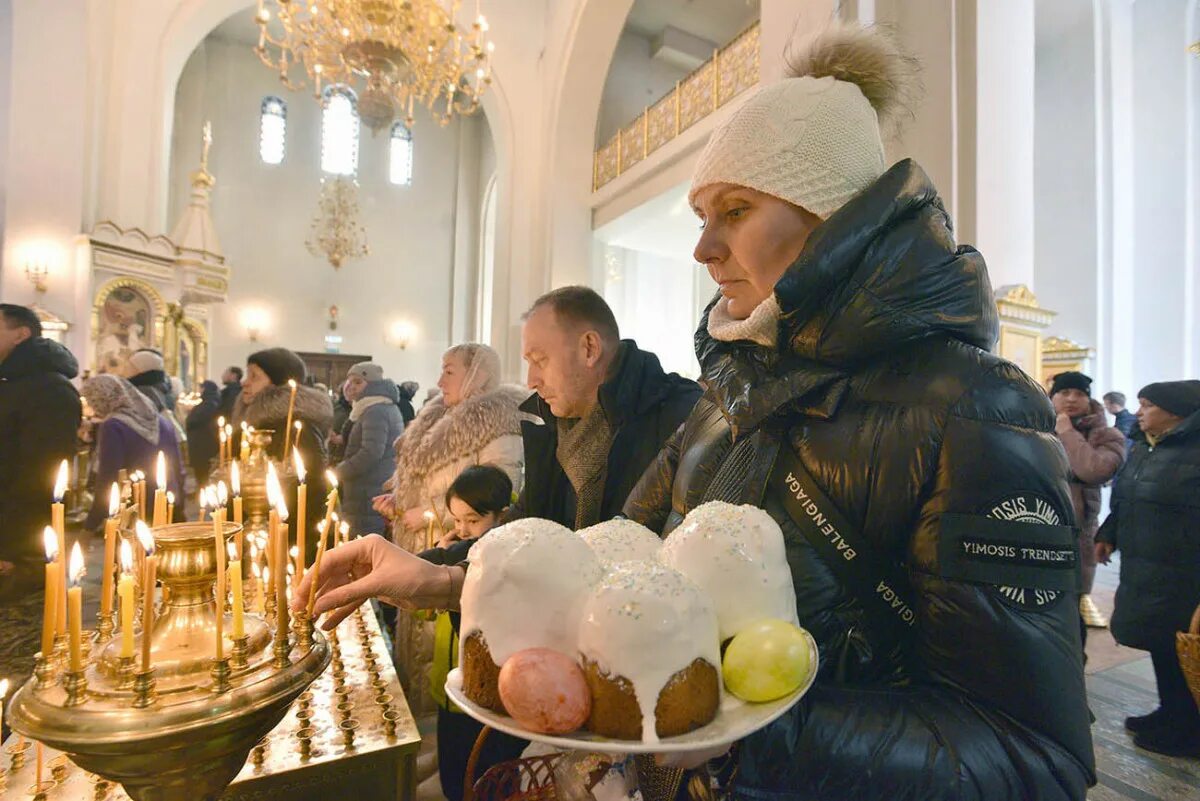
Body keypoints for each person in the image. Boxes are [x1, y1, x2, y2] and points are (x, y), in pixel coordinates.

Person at [296, 25, 1094, 798]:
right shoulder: (728, 393)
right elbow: (612, 558)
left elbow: (1031, 753)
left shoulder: (974, 407)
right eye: (701, 215)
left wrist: (737, 727)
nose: (703, 248)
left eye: (735, 211)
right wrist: (442, 576)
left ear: (835, 219)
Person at [373, 342, 526, 721]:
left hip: (456, 551)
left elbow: (499, 489)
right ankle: (423, 732)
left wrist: (428, 513)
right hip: (423, 543)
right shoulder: (437, 417)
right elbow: (423, 478)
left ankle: (437, 740)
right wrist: (399, 499)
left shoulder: (498, 424)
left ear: (478, 374)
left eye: (450, 371)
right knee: (418, 643)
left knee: (444, 654)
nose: (439, 380)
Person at [506, 285, 702, 529]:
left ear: (589, 348)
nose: (531, 381)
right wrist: (458, 565)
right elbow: (521, 521)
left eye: (540, 361)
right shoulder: (559, 426)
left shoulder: (683, 414)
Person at [1096, 380, 1200, 757]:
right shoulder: (1145, 446)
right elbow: (1125, 496)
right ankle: (1169, 711)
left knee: (1184, 647)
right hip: (1147, 562)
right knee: (1160, 641)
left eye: (1147, 405)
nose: (1140, 413)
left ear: (1176, 411)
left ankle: (1191, 728)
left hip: (1186, 570)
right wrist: (1109, 532)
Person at [423, 465, 525, 801]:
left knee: (485, 776)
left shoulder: (507, 560)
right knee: (453, 773)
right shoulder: (455, 554)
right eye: (456, 520)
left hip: (485, 693)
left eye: (473, 520)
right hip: (449, 687)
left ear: (502, 515)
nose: (463, 530)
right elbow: (427, 611)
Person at [0, 305, 81, 601]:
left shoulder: (50, 389)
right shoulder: (11, 381)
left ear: (20, 334)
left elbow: (42, 474)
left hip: (16, 540)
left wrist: (14, 549)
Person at [1049, 371, 1125, 629]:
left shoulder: (1107, 435)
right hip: (1037, 525)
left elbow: (1094, 470)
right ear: (1053, 396)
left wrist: (1067, 432)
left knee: (1071, 614)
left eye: (1079, 394)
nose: (1071, 399)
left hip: (1076, 532)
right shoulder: (1033, 423)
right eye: (1064, 392)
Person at [81, 374, 184, 530]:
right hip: (169, 506)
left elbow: (109, 479)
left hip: (135, 511)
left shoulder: (114, 425)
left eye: (91, 401)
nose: (92, 407)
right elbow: (178, 469)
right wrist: (180, 505)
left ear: (102, 398)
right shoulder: (161, 420)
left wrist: (89, 526)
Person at [336, 363, 404, 537]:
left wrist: (340, 471)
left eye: (358, 382)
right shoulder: (372, 407)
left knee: (364, 541)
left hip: (368, 489)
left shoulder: (376, 411)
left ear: (373, 385)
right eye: (349, 381)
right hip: (369, 485)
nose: (350, 386)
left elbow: (371, 452)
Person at [125, 349, 174, 414]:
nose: (125, 369)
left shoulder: (144, 392)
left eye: (130, 366)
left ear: (140, 369)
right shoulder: (159, 389)